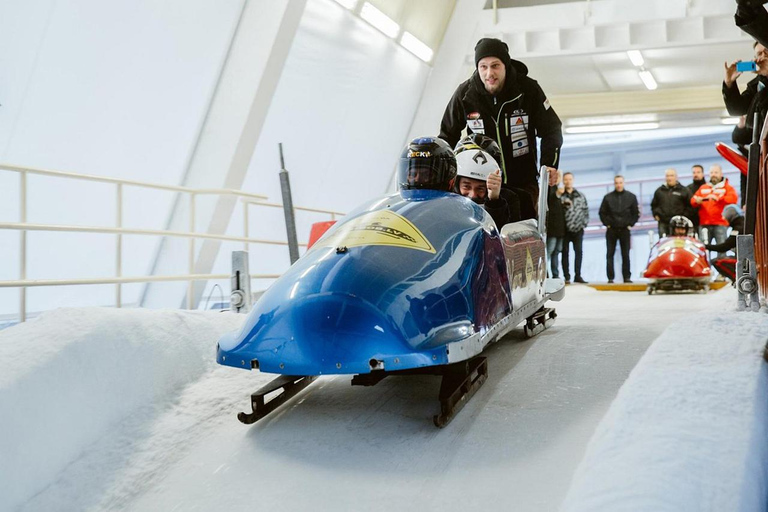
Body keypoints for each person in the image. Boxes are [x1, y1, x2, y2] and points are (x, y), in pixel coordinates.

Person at [439, 37, 563, 215]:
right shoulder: (465, 94)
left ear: (505, 65)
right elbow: (447, 136)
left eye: (495, 65)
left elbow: (551, 129)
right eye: (483, 66)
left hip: (523, 183)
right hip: (481, 186)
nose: (489, 73)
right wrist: (446, 178)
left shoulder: (528, 90)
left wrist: (549, 164)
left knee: (521, 234)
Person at [453, 138, 521, 227]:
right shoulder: (446, 199)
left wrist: (494, 201)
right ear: (456, 184)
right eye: (466, 186)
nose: (473, 194)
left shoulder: (510, 199)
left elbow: (503, 234)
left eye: (480, 189)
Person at [723, 41, 768, 150]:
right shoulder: (756, 84)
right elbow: (737, 110)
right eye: (759, 54)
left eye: (766, 52)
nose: (762, 57)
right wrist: (729, 83)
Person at [690, 164, 738, 257]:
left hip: (721, 223)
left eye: (716, 172)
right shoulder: (704, 187)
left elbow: (733, 199)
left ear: (721, 173)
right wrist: (698, 200)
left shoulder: (727, 188)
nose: (713, 174)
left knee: (722, 249)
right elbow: (693, 200)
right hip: (704, 223)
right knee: (703, 250)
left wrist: (719, 198)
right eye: (711, 172)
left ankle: (722, 271)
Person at [599, 175, 640, 283]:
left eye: (620, 182)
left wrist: (630, 224)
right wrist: (607, 224)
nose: (618, 185)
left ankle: (627, 277)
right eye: (617, 183)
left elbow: (635, 213)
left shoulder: (631, 197)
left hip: (625, 230)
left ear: (624, 183)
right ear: (614, 184)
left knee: (625, 254)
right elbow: (602, 212)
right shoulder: (607, 198)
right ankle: (610, 278)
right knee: (609, 254)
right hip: (611, 230)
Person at [560, 172, 589, 284]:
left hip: (578, 229)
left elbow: (586, 210)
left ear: (573, 180)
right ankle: (567, 277)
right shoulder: (561, 196)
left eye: (570, 179)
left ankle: (578, 275)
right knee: (565, 253)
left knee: (579, 252)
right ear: (563, 181)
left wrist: (584, 224)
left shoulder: (580, 195)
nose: (568, 181)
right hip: (565, 230)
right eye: (566, 179)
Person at [704, 204, 745, 283]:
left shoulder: (738, 228)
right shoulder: (741, 224)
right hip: (745, 258)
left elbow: (724, 247)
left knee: (717, 261)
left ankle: (737, 279)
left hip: (743, 259)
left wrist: (705, 246)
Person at [651, 168, 692, 237]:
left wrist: (684, 216)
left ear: (676, 177)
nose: (669, 178)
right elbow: (654, 205)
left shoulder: (684, 190)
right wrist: (656, 214)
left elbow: (690, 205)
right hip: (663, 223)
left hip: (680, 225)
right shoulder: (659, 191)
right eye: (667, 176)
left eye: (671, 175)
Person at [546, 172, 565, 279]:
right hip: (553, 228)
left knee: (556, 252)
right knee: (550, 251)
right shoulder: (550, 189)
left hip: (560, 228)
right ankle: (546, 274)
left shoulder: (558, 189)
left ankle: (555, 274)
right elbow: (550, 202)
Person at [687, 164, 707, 230]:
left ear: (703, 173)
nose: (696, 174)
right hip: (692, 220)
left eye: (698, 172)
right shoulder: (688, 189)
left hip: (706, 220)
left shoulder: (709, 187)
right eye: (694, 172)